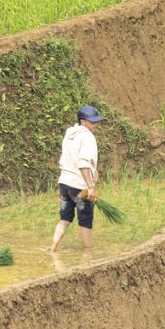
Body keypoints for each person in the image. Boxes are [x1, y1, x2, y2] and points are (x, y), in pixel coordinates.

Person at [52, 103, 102, 255]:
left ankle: (53, 247)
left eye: (96, 122)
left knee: (65, 218)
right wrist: (90, 187)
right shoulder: (87, 137)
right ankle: (87, 253)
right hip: (79, 185)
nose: (95, 125)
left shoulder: (69, 135)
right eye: (92, 122)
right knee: (85, 219)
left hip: (64, 183)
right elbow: (83, 163)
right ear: (82, 121)